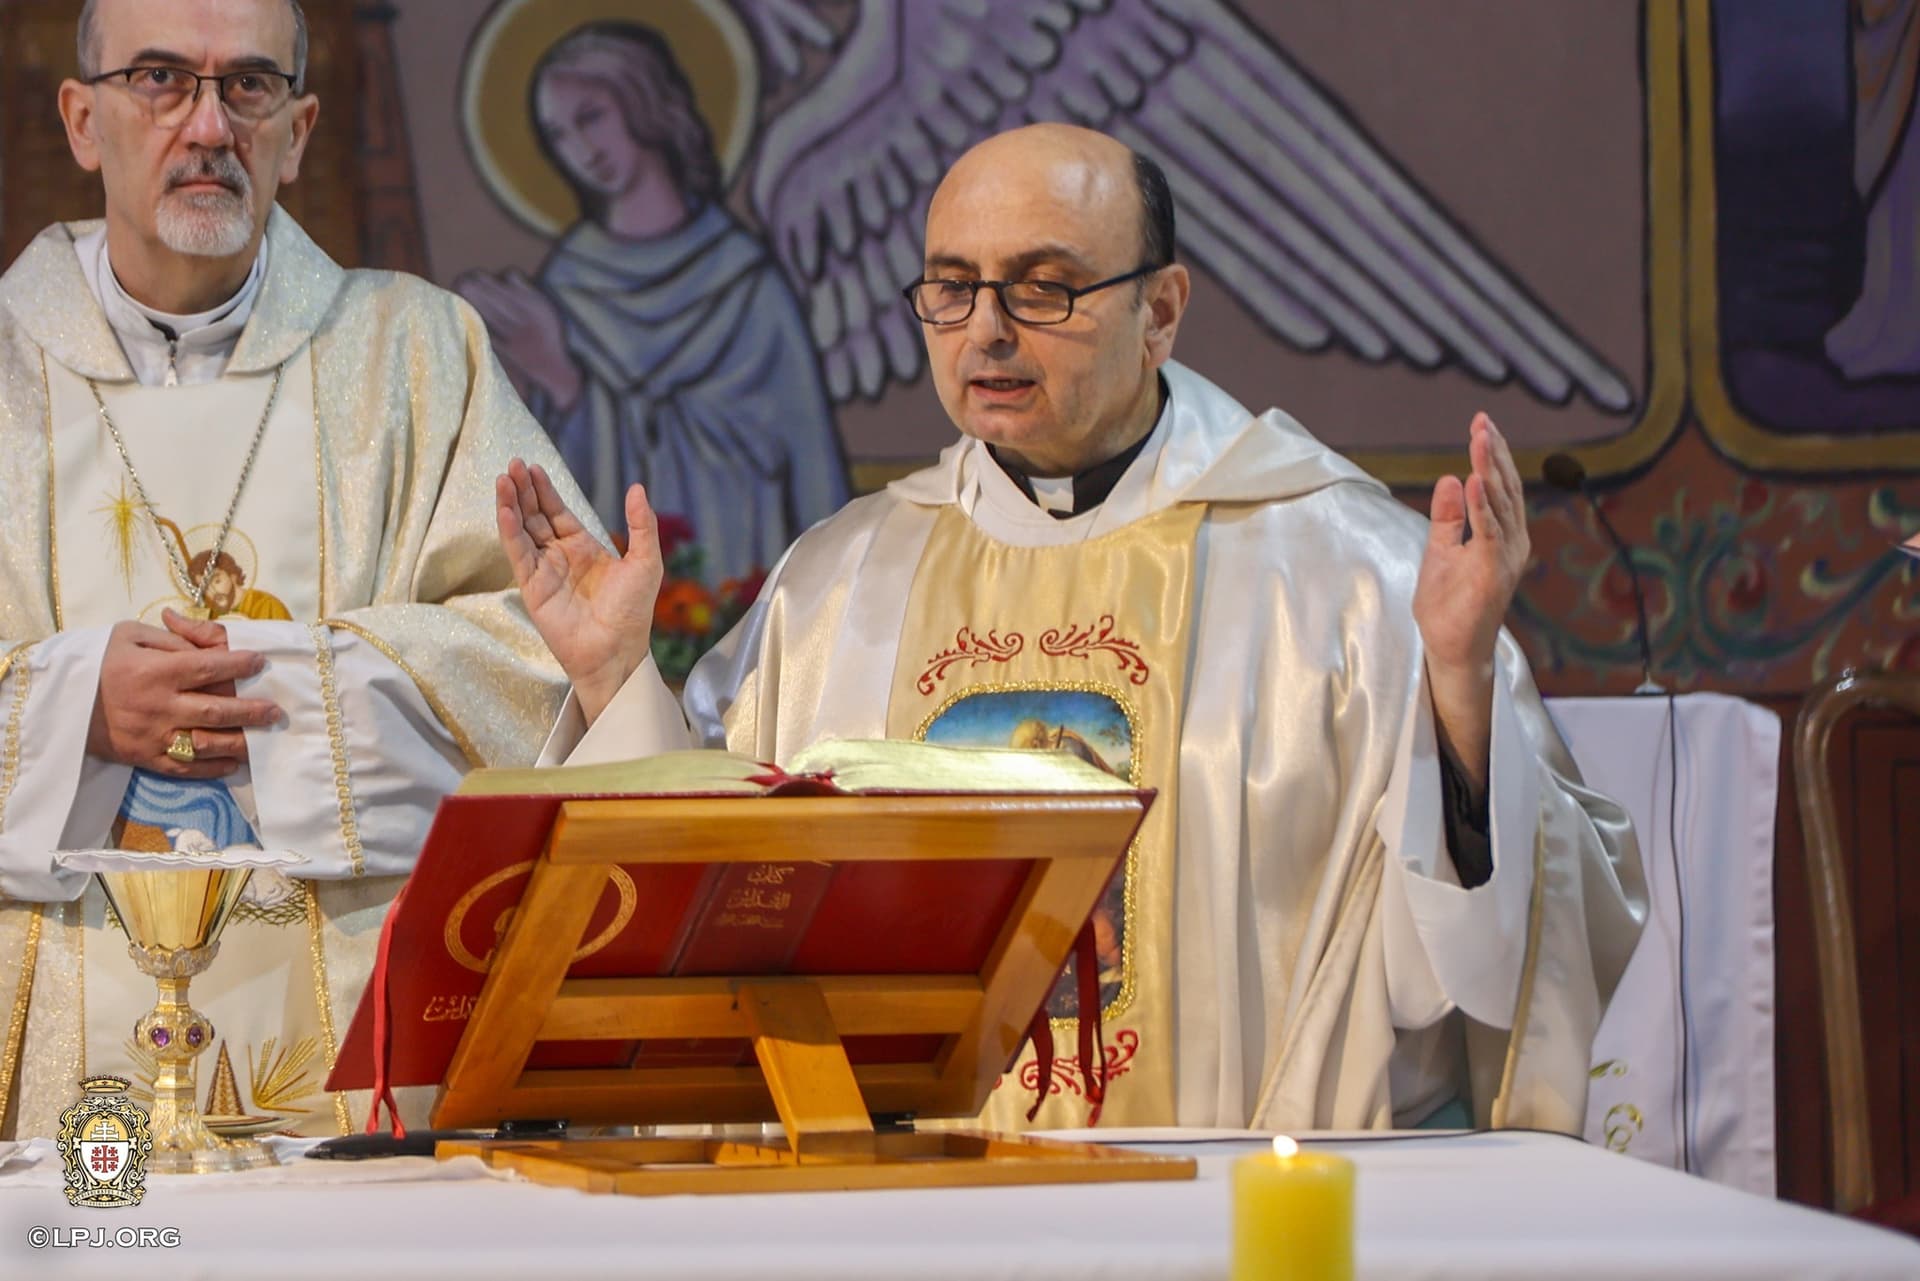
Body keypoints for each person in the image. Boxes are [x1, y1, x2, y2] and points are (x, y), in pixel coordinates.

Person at [499, 123, 1645, 1132]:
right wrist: (616, 683)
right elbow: (714, 900)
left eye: (1043, 288)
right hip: (907, 1212)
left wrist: (1456, 686)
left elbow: (1506, 956)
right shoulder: (842, 581)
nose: (987, 332)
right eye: (952, 288)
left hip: (1230, 1215)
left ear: (1162, 311)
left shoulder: (1349, 572)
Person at [0, 0, 587, 1139]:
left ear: (300, 130)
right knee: (100, 1223)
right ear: (81, 120)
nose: (208, 125)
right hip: (56, 1055)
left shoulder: (418, 355)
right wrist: (74, 709)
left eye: (249, 85)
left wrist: (293, 698)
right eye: (160, 79)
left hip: (359, 1051)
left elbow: (548, 656)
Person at [458, 21, 848, 589]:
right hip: (626, 613)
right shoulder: (568, 285)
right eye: (559, 135)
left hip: (752, 598)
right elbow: (558, 498)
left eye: (591, 117)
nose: (580, 150)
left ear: (642, 102)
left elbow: (808, 461)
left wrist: (830, 595)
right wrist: (564, 389)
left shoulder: (744, 279)